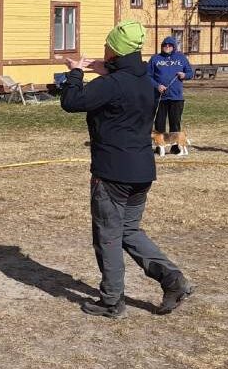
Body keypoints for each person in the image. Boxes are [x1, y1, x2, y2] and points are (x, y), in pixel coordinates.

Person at [59, 19, 192, 318]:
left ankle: (111, 301)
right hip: (142, 169)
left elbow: (72, 101)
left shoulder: (111, 85)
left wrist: (76, 72)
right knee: (129, 231)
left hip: (112, 173)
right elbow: (125, 74)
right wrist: (98, 66)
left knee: (108, 235)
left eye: (107, 46)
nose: (103, 50)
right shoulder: (145, 78)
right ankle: (173, 280)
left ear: (114, 50)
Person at [147, 37, 193, 150]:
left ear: (174, 47)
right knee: (159, 123)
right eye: (165, 45)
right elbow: (147, 76)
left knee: (175, 123)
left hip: (176, 97)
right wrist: (157, 86)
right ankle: (159, 146)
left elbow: (190, 72)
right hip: (160, 97)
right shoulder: (155, 59)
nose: (167, 47)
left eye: (170, 45)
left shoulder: (181, 58)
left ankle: (176, 147)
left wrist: (184, 75)